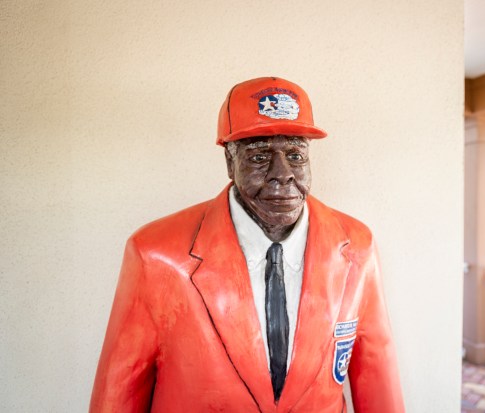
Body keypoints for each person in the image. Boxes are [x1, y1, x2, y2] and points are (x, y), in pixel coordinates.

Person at [90, 77, 404, 413]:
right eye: (258, 157)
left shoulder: (357, 246)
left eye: (296, 155)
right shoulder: (155, 254)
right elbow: (119, 391)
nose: (282, 174)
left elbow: (376, 370)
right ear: (229, 162)